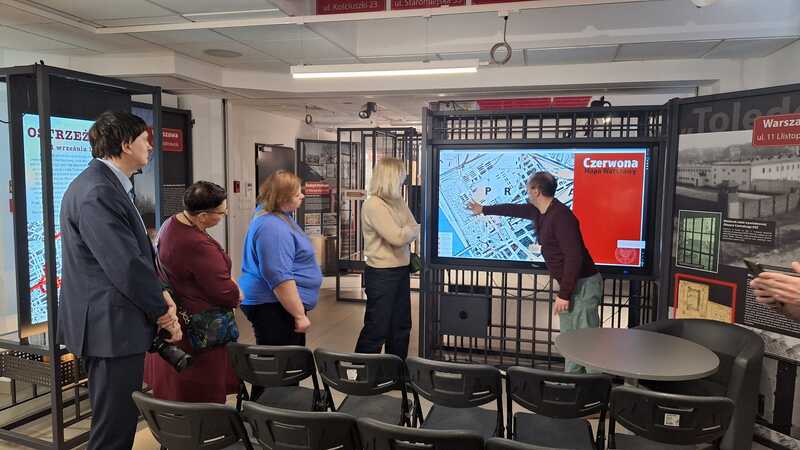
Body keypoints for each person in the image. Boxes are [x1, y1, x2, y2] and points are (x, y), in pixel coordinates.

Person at [58, 111, 181, 450]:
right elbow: (124, 264)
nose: (151, 147)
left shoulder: (106, 185)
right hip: (108, 328)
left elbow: (132, 256)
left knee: (118, 422)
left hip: (112, 326)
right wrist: (162, 312)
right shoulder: (97, 190)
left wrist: (162, 292)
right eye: (145, 140)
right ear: (126, 144)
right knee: (113, 429)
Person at [467, 171, 601, 373]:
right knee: (569, 339)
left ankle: (594, 390)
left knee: (586, 342)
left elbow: (574, 257)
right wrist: (484, 209)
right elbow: (513, 209)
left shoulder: (562, 217)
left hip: (582, 284)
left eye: (528, 187)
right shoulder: (539, 211)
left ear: (536, 191)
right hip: (571, 284)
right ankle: (573, 385)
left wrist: (564, 294)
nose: (526, 191)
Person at [144, 181, 242, 403]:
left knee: (176, 392)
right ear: (203, 215)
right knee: (200, 395)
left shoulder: (171, 224)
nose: (224, 215)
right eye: (221, 212)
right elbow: (223, 292)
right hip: (199, 332)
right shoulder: (196, 244)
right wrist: (235, 291)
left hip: (178, 321)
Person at [239, 170, 321, 348]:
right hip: (273, 306)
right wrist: (299, 315)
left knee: (290, 360)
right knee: (280, 364)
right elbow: (279, 277)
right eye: (297, 193)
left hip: (278, 306)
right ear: (282, 198)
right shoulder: (272, 227)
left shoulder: (275, 214)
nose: (303, 196)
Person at [355, 158, 419, 359]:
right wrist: (409, 230)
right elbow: (397, 237)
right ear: (391, 177)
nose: (404, 179)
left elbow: (412, 226)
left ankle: (396, 373)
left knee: (401, 326)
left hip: (401, 270)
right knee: (377, 327)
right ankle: (360, 375)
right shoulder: (373, 204)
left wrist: (408, 230)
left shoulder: (397, 201)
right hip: (382, 274)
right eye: (401, 175)